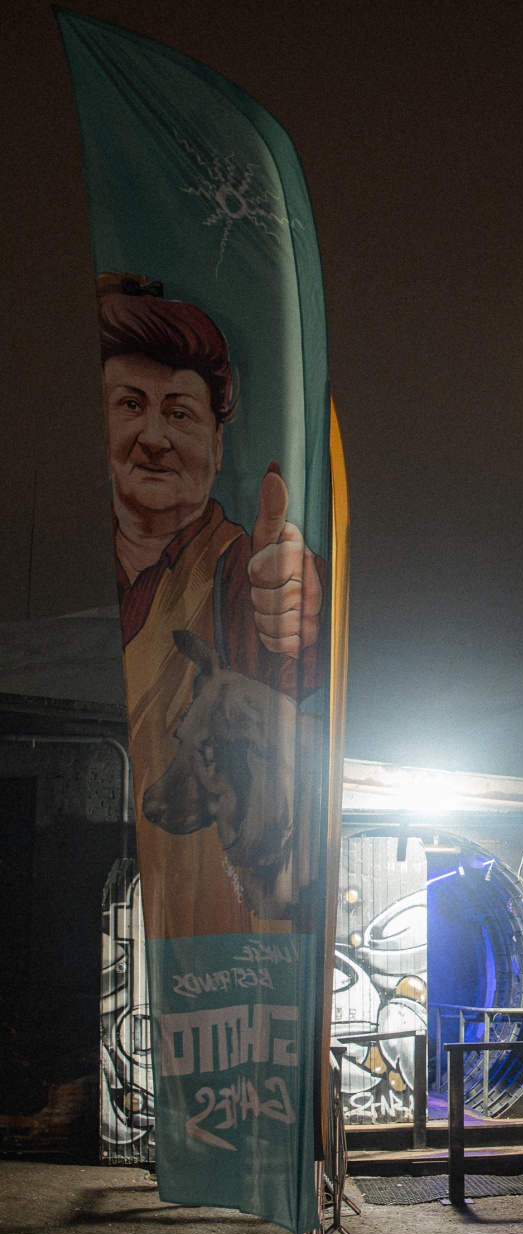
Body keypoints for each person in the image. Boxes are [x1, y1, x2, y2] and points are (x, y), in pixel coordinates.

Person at [98, 273, 326, 938]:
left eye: (179, 413)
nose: (154, 437)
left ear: (218, 446)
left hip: (225, 943)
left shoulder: (234, 573)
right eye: (130, 405)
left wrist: (296, 609)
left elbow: (282, 676)